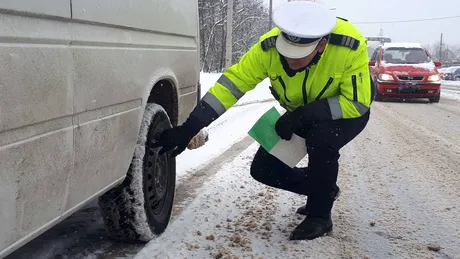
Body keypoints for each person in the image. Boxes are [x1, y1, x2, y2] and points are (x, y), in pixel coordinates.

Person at [151, 1, 373, 241]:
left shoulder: (349, 45)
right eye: (286, 54)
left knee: (321, 142)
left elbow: (358, 102)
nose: (290, 62)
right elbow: (233, 85)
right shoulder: (268, 47)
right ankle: (324, 189)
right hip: (299, 114)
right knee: (263, 169)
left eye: (298, 58)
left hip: (344, 113)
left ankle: (320, 216)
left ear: (321, 45)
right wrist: (190, 127)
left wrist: (303, 116)